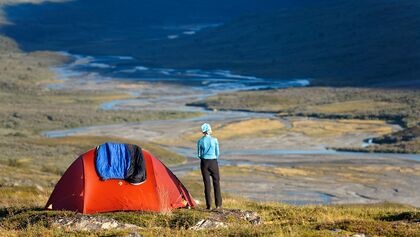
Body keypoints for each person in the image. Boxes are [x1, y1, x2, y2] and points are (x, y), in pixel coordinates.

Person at [197, 123, 222, 210]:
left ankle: (209, 206)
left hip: (204, 163)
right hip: (213, 162)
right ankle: (218, 205)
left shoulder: (200, 141)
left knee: (207, 184)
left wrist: (204, 158)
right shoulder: (215, 140)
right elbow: (217, 153)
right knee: (216, 183)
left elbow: (199, 154)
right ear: (209, 130)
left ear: (203, 131)